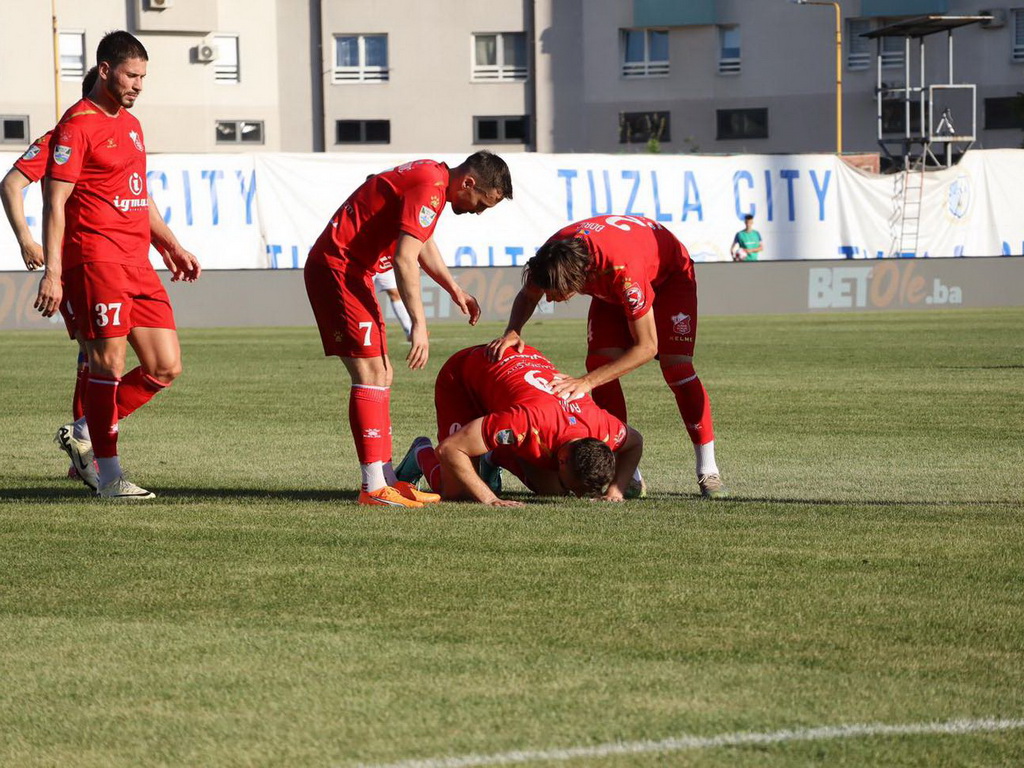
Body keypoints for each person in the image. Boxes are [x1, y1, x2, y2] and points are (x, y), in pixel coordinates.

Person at [34, 31, 201, 500]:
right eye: (131, 75)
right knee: (108, 362)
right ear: (105, 70)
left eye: (143, 77)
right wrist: (52, 269)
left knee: (165, 366)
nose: (139, 85)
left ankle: (84, 429)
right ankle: (110, 477)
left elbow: (138, 196)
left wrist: (172, 245)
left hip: (138, 262)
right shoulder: (76, 125)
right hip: (97, 258)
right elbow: (55, 201)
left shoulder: (131, 125)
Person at [304, 151, 513, 508]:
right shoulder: (431, 186)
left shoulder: (432, 182)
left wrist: (454, 289)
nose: (478, 212)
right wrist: (419, 324)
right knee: (370, 373)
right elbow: (404, 257)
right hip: (339, 271)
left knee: (382, 372)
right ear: (468, 183)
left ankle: (386, 480)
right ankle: (372, 487)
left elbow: (422, 242)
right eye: (482, 203)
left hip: (353, 273)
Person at [487, 214, 728, 499]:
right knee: (600, 363)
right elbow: (529, 295)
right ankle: (629, 474)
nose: (549, 300)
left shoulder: (622, 271)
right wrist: (513, 331)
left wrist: (586, 383)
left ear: (577, 278)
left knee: (676, 367)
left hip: (668, 277)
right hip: (612, 281)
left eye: (556, 294)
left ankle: (707, 470)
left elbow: (647, 347)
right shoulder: (554, 253)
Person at [1, 68, 99, 480]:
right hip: (77, 263)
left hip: (105, 261)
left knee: (100, 357)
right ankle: (84, 447)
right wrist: (26, 238)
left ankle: (85, 451)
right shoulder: (63, 136)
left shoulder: (115, 136)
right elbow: (11, 184)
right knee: (95, 356)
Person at [395, 344, 643, 505]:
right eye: (575, 487)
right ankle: (419, 453)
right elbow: (450, 449)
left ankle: (493, 456)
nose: (577, 495)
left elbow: (635, 442)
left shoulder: (603, 428)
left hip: (515, 381)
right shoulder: (525, 421)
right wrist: (490, 500)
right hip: (465, 377)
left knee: (554, 492)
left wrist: (616, 490)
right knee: (458, 493)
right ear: (564, 458)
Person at [373, 268, 413, 341]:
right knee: (362, 295)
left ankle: (409, 331)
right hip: (364, 265)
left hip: (380, 265)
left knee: (395, 293)